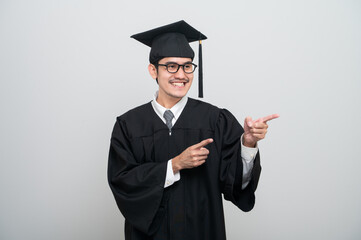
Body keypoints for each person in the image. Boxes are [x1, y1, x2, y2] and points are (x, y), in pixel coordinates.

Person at [108, 20, 279, 240]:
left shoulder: (216, 120)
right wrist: (174, 165)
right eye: (171, 66)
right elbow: (123, 182)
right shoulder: (129, 125)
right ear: (153, 70)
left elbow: (236, 184)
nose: (181, 74)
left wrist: (247, 144)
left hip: (202, 231)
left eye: (187, 66)